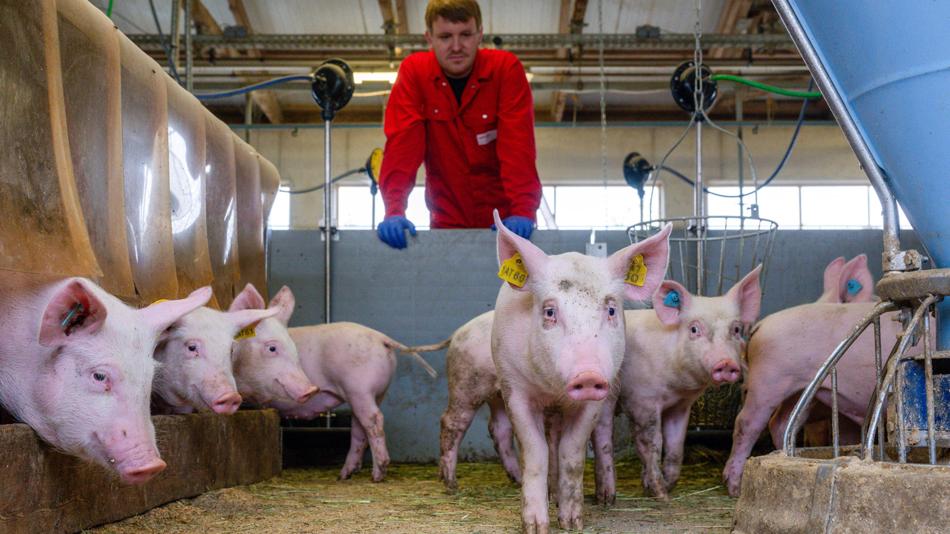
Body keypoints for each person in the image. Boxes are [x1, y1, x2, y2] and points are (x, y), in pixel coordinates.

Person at [376, 0, 541, 249]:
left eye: (465, 35)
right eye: (445, 37)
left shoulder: (505, 70)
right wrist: (394, 209)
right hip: (446, 221)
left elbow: (518, 147)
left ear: (480, 34)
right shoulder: (415, 73)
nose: (456, 47)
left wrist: (524, 210)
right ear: (429, 38)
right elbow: (402, 148)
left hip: (507, 222)